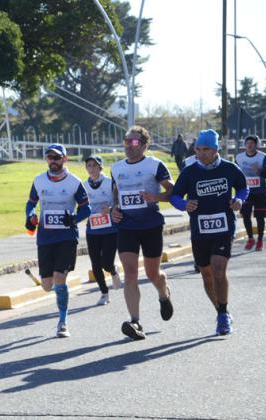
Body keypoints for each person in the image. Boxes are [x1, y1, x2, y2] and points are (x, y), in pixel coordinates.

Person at [169, 129, 248, 335]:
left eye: (206, 149)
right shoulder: (190, 171)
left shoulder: (230, 169)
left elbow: (243, 188)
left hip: (224, 226)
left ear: (215, 150)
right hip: (200, 229)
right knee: (206, 274)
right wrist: (184, 204)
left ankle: (222, 316)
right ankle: (222, 310)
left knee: (218, 268)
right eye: (198, 149)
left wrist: (239, 200)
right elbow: (175, 196)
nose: (201, 153)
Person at [110, 125, 174, 340]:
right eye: (126, 141)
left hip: (150, 225)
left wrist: (155, 198)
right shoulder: (117, 168)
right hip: (127, 226)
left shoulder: (154, 165)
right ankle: (135, 321)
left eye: (135, 141)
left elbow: (172, 191)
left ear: (145, 145)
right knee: (129, 274)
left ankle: (164, 295)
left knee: (152, 274)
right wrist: (113, 209)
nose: (129, 145)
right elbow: (115, 193)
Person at [24, 143, 91, 337]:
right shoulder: (38, 180)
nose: (53, 161)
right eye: (50, 157)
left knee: (60, 279)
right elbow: (30, 204)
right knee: (46, 286)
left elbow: (86, 208)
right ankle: (61, 290)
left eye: (57, 157)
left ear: (64, 159)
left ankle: (62, 321)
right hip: (45, 237)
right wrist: (30, 216)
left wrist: (74, 219)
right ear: (47, 160)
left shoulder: (74, 182)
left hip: (66, 237)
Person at [83, 156, 122, 305]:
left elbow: (119, 201)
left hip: (110, 227)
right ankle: (104, 293)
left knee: (106, 262)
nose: (91, 168)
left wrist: (111, 209)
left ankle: (113, 270)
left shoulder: (110, 182)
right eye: (88, 166)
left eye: (94, 165)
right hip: (92, 228)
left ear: (100, 167)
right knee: (95, 263)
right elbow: (80, 205)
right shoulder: (84, 185)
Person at [235, 135, 266, 251]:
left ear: (256, 145)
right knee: (246, 215)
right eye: (247, 143)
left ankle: (260, 240)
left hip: (260, 192)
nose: (249, 145)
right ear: (244, 145)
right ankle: (250, 238)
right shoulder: (239, 157)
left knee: (259, 217)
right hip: (245, 192)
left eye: (252, 143)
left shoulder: (262, 157)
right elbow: (234, 174)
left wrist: (259, 171)